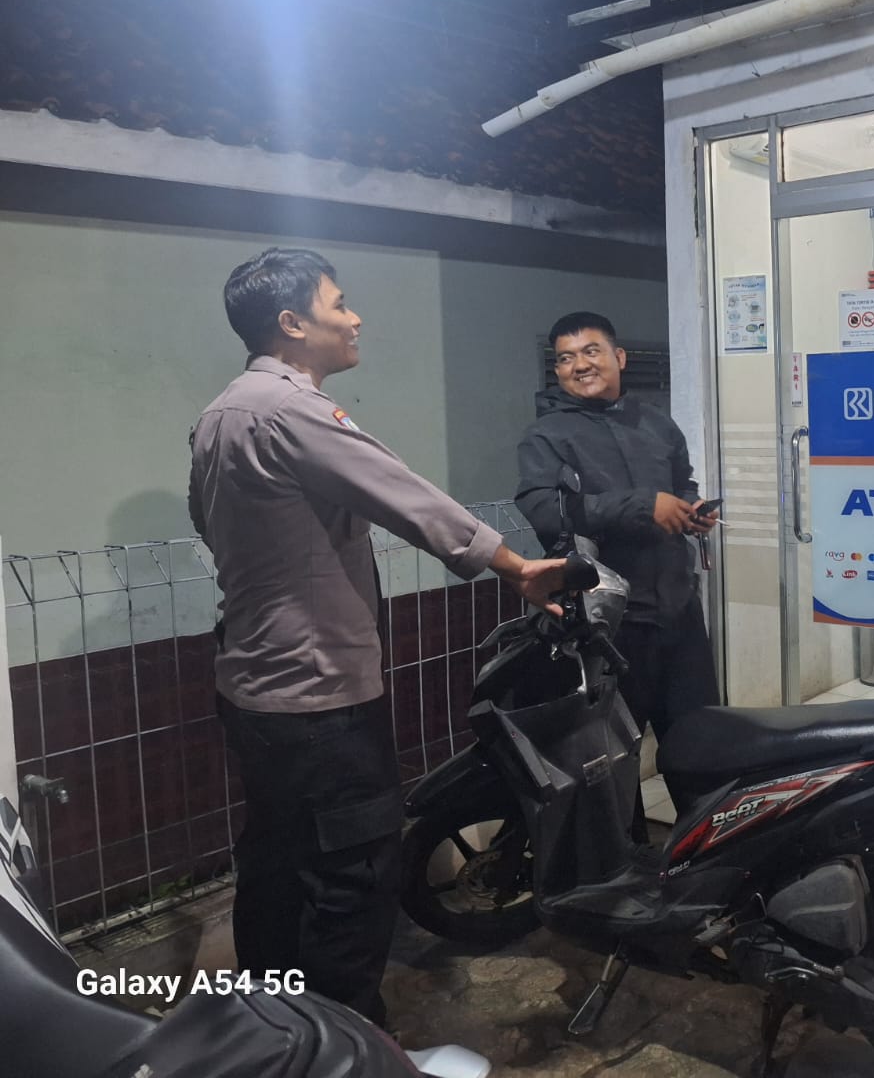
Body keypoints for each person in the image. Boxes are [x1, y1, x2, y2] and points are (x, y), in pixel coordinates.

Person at [189, 247, 567, 1027]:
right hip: (320, 696)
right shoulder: (291, 410)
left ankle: (278, 1034)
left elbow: (207, 522)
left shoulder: (219, 415)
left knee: (275, 867)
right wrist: (514, 566)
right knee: (351, 879)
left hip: (254, 689)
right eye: (339, 304)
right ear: (292, 323)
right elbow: (404, 495)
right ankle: (352, 1046)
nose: (355, 317)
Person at [514, 312, 720, 833]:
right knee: (614, 765)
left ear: (619, 358)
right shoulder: (546, 436)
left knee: (704, 749)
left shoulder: (657, 423)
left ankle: (708, 854)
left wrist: (690, 510)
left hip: (679, 614)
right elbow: (545, 512)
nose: (580, 365)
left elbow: (683, 483)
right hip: (609, 627)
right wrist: (643, 505)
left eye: (591, 351)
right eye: (566, 358)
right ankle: (629, 867)